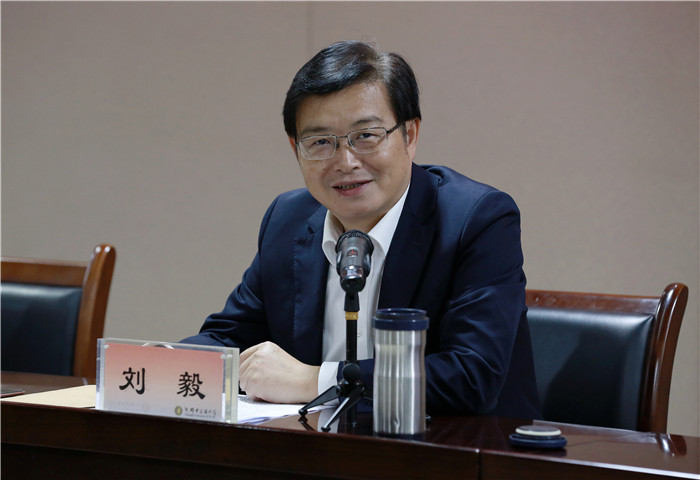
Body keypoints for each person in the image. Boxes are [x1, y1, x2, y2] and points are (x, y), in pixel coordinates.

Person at [183, 40, 541, 419]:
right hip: (315, 445)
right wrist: (155, 366)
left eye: (366, 136)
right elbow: (229, 338)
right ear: (295, 148)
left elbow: (471, 376)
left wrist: (316, 380)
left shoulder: (476, 219)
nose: (346, 161)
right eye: (320, 142)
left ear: (410, 135)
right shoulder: (288, 219)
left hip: (456, 446)